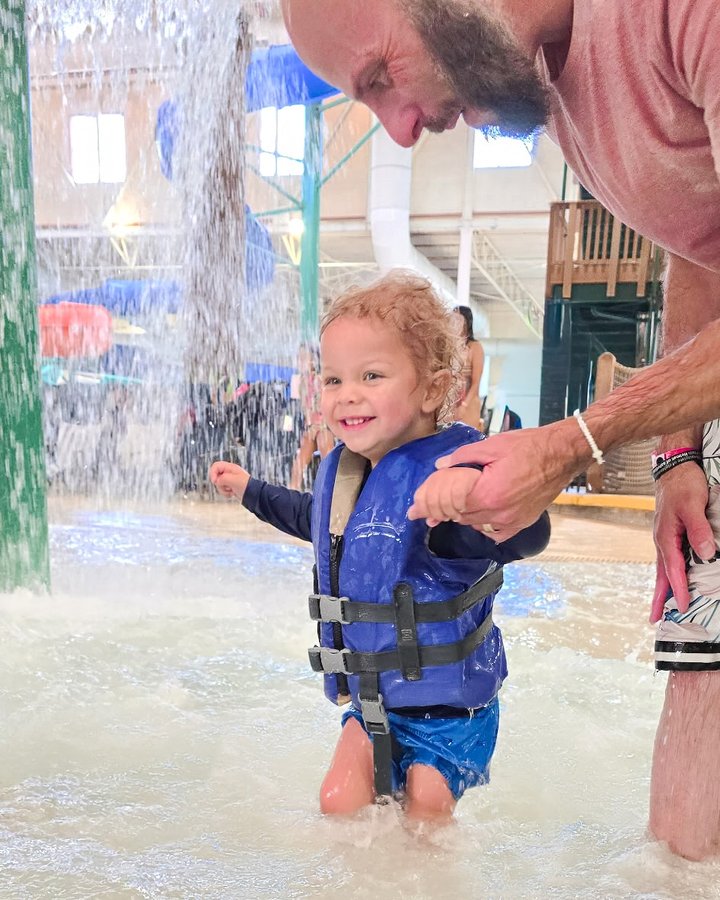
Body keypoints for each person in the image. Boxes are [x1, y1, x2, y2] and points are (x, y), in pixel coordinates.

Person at [281, 0, 720, 858]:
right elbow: (702, 245)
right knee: (684, 839)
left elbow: (515, 537)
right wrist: (679, 456)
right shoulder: (552, 83)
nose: (400, 133)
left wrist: (571, 444)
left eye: (379, 77)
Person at [210, 272, 550, 822]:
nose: (347, 395)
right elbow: (310, 519)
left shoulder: (445, 487)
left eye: (372, 375)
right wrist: (251, 490)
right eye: (333, 379)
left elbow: (526, 537)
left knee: (426, 814)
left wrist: (479, 498)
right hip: (375, 701)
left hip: (450, 712)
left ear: (434, 389)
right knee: (337, 803)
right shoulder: (348, 476)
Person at [289, 343, 335, 489]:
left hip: (324, 426)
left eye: (303, 357)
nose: (300, 361)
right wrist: (310, 425)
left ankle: (330, 493)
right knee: (299, 464)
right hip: (311, 426)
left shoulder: (320, 380)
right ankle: (292, 492)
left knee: (327, 461)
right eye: (299, 358)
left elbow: (325, 406)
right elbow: (306, 408)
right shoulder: (302, 382)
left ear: (312, 360)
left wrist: (319, 426)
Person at [452, 305, 484, 430]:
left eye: (458, 320)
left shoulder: (474, 347)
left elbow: (476, 382)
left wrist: (464, 405)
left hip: (467, 402)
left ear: (466, 323)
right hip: (451, 401)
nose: (454, 324)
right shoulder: (449, 347)